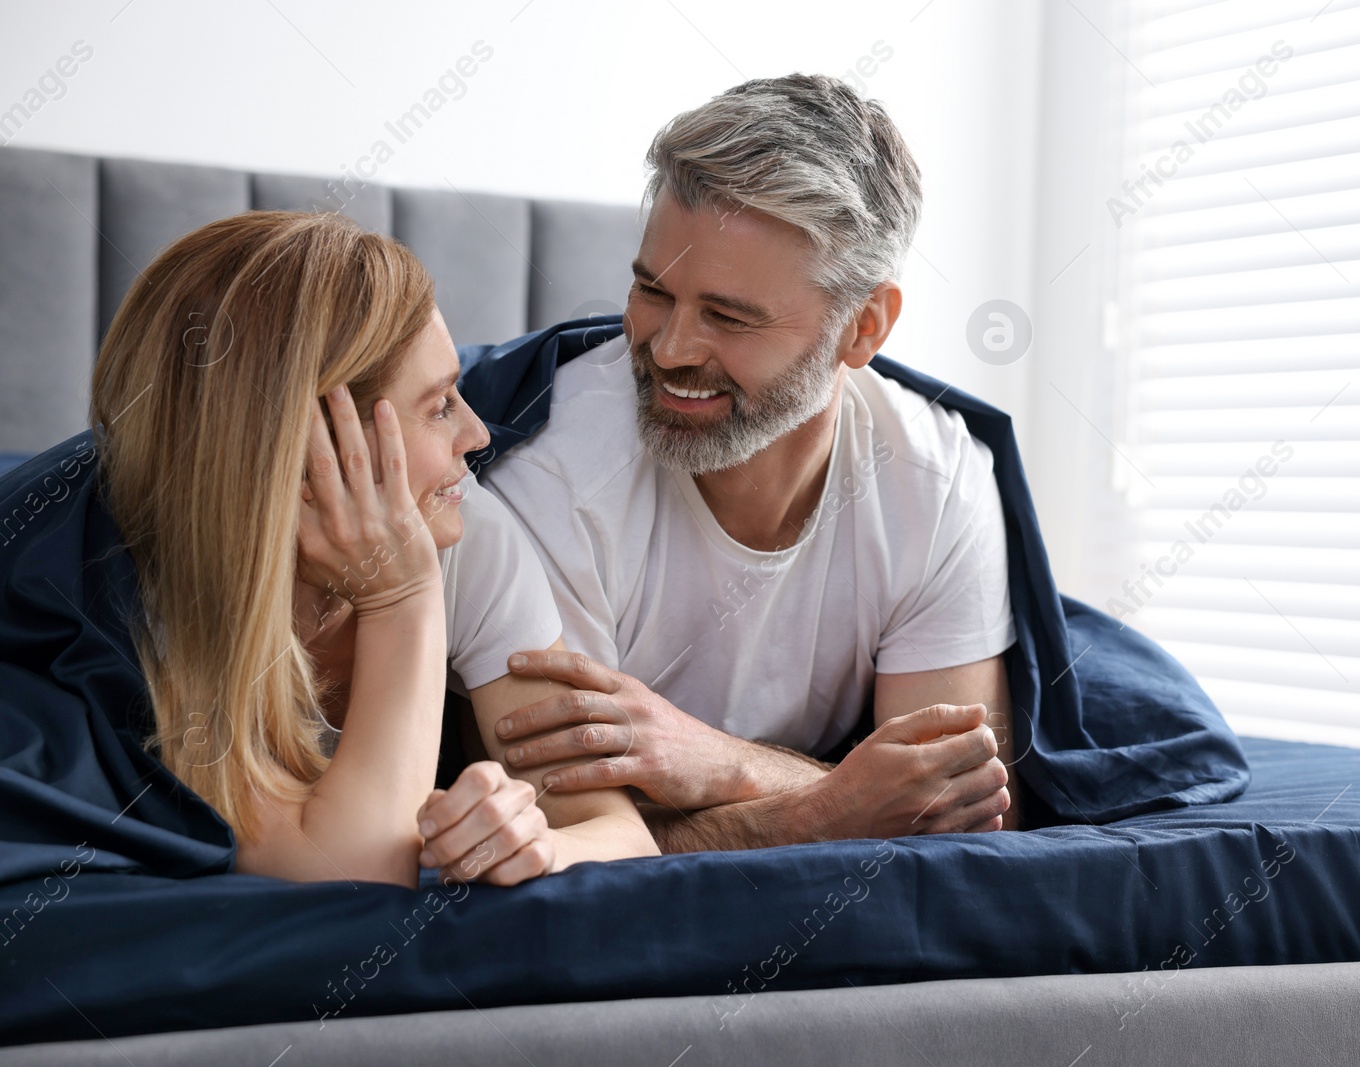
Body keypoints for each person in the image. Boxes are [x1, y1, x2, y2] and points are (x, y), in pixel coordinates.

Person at [477, 74, 1017, 851]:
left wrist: (721, 764)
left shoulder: (936, 479)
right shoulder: (552, 474)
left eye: (728, 317)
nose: (669, 350)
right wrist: (828, 807)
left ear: (861, 328)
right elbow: (579, 841)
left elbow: (959, 805)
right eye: (652, 292)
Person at [84, 210, 657, 887]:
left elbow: (624, 836)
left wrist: (538, 844)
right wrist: (401, 597)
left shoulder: (466, 533)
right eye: (441, 405)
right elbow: (352, 881)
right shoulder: (148, 592)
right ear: (315, 448)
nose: (477, 435)